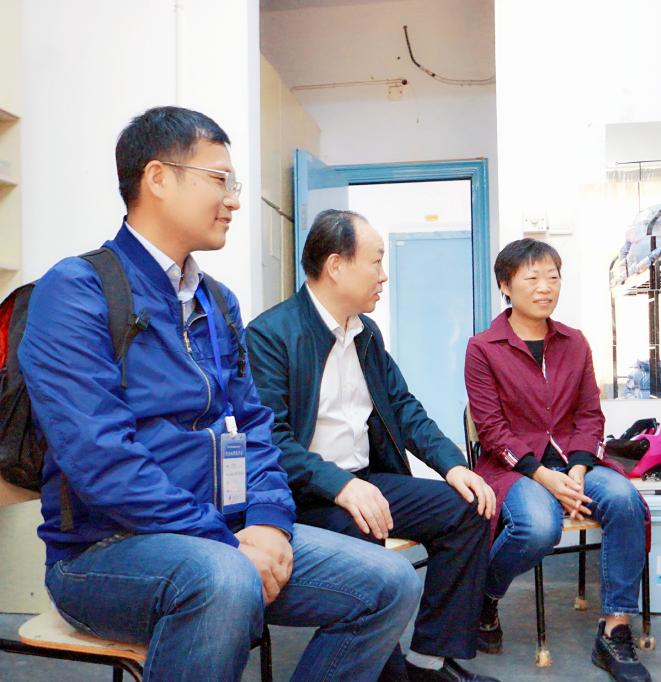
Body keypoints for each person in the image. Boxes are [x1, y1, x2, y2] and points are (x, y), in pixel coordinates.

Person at [18, 106, 421, 682]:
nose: (233, 199)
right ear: (158, 178)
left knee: (390, 583)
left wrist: (268, 523)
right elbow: (100, 458)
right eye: (220, 180)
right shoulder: (77, 292)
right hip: (105, 552)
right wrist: (222, 541)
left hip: (225, 536)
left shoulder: (217, 302)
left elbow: (253, 426)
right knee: (225, 580)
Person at [246, 209, 499, 682]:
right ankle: (385, 670)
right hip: (303, 495)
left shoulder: (365, 332)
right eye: (376, 261)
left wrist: (452, 465)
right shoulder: (270, 335)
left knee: (468, 508)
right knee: (363, 531)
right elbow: (269, 439)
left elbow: (401, 406)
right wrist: (339, 485)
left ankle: (429, 661)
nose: (384, 275)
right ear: (336, 266)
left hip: (365, 483)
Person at [464, 239, 651, 682]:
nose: (545, 287)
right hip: (516, 468)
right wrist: (545, 477)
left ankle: (615, 628)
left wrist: (580, 467)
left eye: (552, 277)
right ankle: (486, 596)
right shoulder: (483, 347)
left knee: (624, 500)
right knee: (537, 526)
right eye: (532, 278)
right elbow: (491, 429)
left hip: (574, 462)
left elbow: (589, 414)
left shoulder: (574, 342)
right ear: (505, 285)